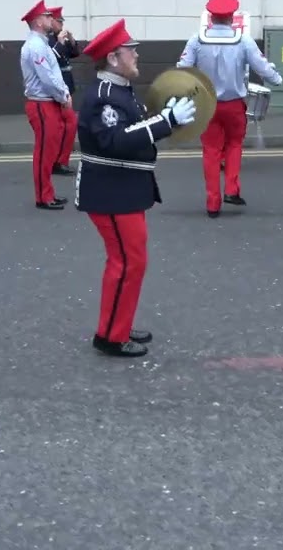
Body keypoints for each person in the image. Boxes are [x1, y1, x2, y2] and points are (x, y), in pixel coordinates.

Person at [74, 19, 197, 357]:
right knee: (126, 263)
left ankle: (118, 325)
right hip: (111, 192)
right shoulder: (104, 97)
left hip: (123, 189)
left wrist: (165, 119)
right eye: (131, 50)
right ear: (113, 58)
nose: (136, 55)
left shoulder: (117, 90)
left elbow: (137, 127)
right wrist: (166, 122)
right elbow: (116, 141)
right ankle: (111, 336)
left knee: (131, 262)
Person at [177, 0, 282, 217]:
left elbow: (183, 68)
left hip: (207, 104)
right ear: (232, 17)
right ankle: (232, 189)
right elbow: (262, 67)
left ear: (211, 18)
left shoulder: (196, 39)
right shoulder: (243, 40)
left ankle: (212, 203)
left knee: (211, 151)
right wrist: (277, 79)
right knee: (234, 144)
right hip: (234, 104)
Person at [19, 0, 71, 210]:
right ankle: (43, 196)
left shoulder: (41, 44)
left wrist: (62, 94)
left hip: (48, 103)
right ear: (38, 21)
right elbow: (47, 78)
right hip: (42, 104)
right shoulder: (35, 47)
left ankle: (48, 193)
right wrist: (63, 95)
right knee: (44, 153)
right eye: (48, 16)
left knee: (49, 151)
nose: (52, 20)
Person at [48, 6, 81, 177]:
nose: (61, 24)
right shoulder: (48, 41)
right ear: (51, 21)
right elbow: (52, 58)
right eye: (58, 21)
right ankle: (58, 162)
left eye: (61, 21)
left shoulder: (59, 38)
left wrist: (72, 39)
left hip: (66, 87)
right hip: (57, 89)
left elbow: (75, 53)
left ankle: (59, 161)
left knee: (67, 126)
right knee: (66, 125)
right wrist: (60, 42)